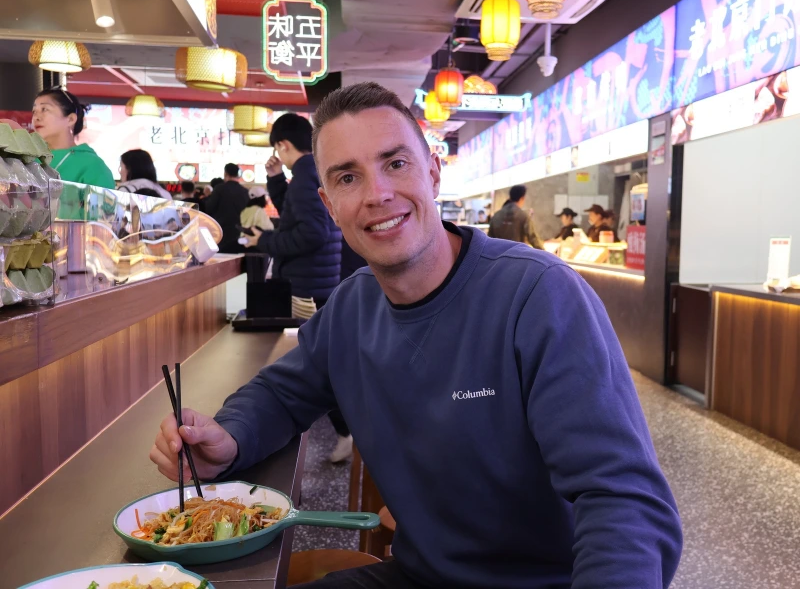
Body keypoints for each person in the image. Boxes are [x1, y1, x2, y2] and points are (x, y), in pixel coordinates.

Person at [149, 82, 682, 589]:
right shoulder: (353, 307)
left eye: (395, 164)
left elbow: (622, 499)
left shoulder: (538, 295)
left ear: (431, 172)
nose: (378, 194)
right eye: (348, 177)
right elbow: (280, 394)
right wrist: (229, 437)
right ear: (330, 204)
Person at [240, 112, 346, 459]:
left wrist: (263, 242)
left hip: (307, 285)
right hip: (319, 279)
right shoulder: (309, 175)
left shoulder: (304, 179)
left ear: (283, 145)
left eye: (278, 150)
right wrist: (275, 180)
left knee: (316, 363)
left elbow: (309, 233)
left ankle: (347, 429)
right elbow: (295, 214)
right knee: (319, 358)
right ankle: (345, 429)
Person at [32, 88, 114, 188]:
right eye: (34, 111)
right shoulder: (30, 160)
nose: (36, 117)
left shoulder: (93, 166)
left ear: (70, 119)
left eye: (44, 109)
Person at [204, 163, 250, 253]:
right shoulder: (245, 192)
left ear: (225, 174)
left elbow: (209, 208)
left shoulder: (219, 189)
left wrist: (208, 197)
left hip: (221, 234)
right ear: (238, 174)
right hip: (239, 235)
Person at [488, 184, 543, 249]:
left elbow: (489, 240)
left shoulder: (496, 216)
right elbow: (533, 238)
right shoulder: (523, 216)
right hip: (517, 256)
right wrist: (546, 255)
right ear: (522, 198)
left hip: (498, 255)